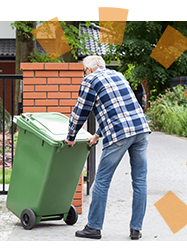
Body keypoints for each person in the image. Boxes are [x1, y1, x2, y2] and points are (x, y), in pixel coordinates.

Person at [64, 55, 151, 240]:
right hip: (141, 130)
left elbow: (80, 111)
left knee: (102, 180)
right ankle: (136, 229)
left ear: (89, 69)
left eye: (83, 71)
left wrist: (70, 136)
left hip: (120, 134)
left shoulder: (90, 80)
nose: (83, 74)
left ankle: (93, 227)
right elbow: (116, 109)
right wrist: (97, 134)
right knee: (140, 181)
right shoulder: (118, 75)